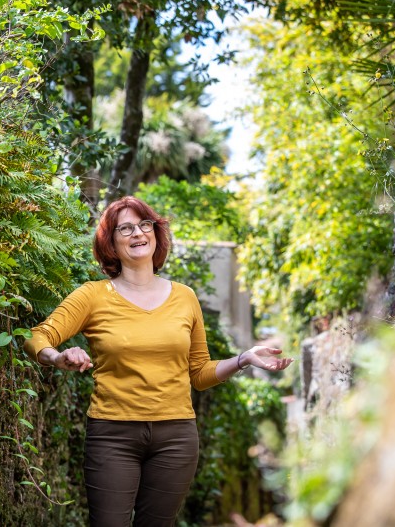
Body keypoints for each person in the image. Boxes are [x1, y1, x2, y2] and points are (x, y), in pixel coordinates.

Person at [24, 196, 293, 527]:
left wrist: (244, 359)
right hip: (112, 435)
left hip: (176, 439)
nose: (138, 233)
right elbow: (38, 336)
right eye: (125, 228)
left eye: (144, 224)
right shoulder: (93, 295)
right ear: (110, 241)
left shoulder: (185, 297)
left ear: (155, 233)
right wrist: (57, 356)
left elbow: (200, 374)